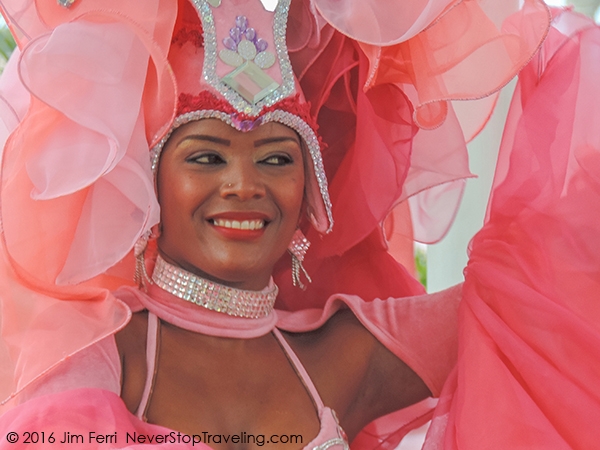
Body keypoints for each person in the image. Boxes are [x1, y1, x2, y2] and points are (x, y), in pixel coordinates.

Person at [0, 0, 598, 449]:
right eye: (207, 156)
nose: (244, 184)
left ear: (312, 190)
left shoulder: (343, 355)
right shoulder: (102, 355)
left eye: (276, 159)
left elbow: (543, 291)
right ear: (150, 185)